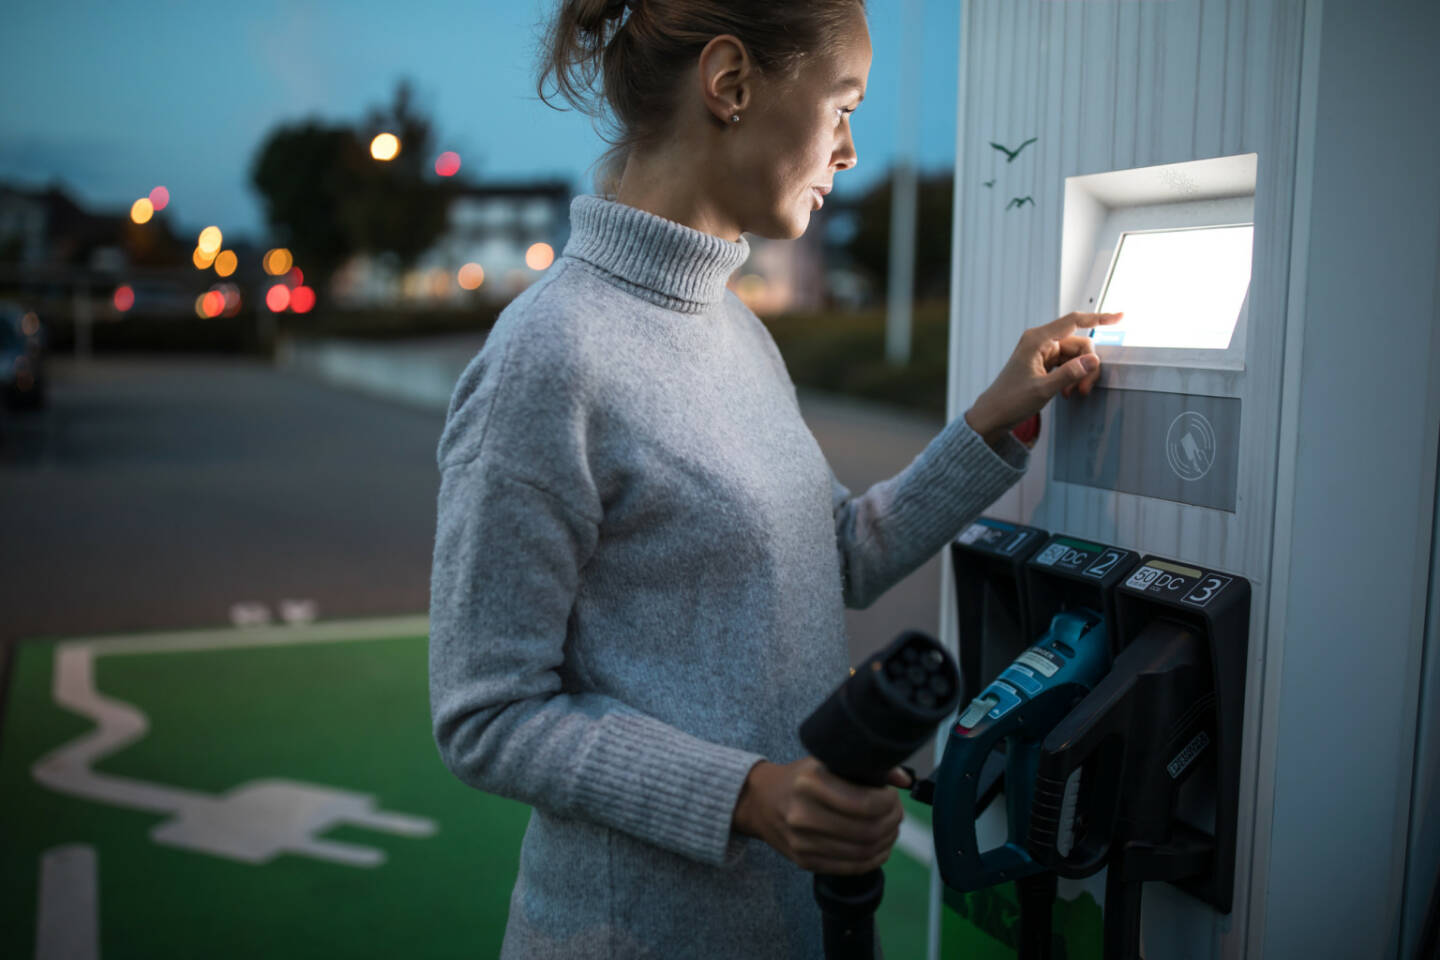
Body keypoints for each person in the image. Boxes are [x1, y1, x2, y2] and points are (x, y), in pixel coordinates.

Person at [427, 1, 1117, 957]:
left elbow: (834, 553)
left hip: (787, 926)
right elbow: (487, 713)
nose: (849, 152)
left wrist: (989, 423)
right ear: (733, 84)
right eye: (841, 106)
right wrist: (751, 797)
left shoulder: (736, 328)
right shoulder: (548, 358)